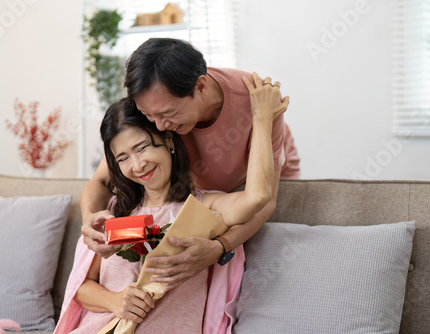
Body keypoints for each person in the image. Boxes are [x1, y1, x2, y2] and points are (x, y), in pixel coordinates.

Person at [55, 73, 288, 333]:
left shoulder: (202, 208)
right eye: (123, 158)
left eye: (142, 148)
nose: (137, 165)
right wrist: (115, 300)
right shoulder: (114, 213)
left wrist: (262, 118)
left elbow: (258, 197)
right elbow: (82, 287)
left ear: (168, 140)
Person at [80, 38, 300, 291]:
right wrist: (89, 225)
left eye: (167, 114)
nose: (159, 126)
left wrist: (221, 246)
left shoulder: (257, 103)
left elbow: (264, 199)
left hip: (245, 186)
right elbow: (100, 180)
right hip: (199, 194)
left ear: (201, 86)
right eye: (150, 116)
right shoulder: (154, 102)